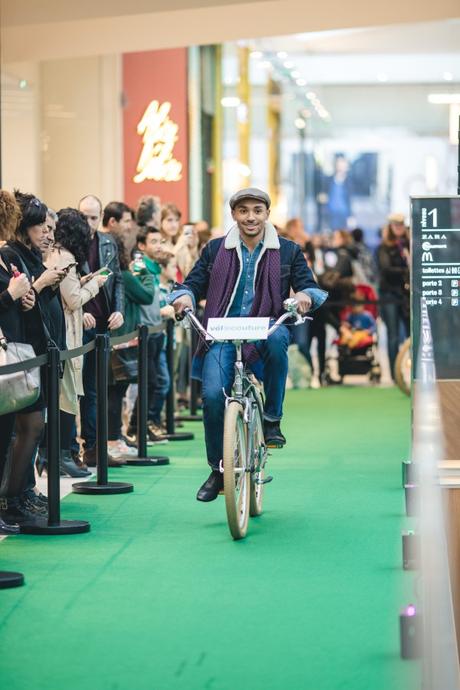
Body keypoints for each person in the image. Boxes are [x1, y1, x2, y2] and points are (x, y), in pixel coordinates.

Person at [169, 188, 327, 502]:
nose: (250, 217)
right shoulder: (215, 250)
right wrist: (183, 297)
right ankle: (218, 469)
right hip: (221, 331)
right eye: (244, 211)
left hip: (266, 326)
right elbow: (192, 283)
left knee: (279, 339)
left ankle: (272, 420)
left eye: (257, 210)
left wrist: (303, 297)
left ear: (267, 214)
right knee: (213, 396)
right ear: (234, 215)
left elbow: (307, 285)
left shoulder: (288, 250)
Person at [1, 191, 67, 523]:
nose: (47, 232)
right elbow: (16, 297)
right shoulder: (11, 253)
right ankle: (11, 499)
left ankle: (20, 494)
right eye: (40, 225)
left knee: (30, 428)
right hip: (16, 355)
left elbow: (26, 300)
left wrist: (30, 293)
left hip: (32, 352)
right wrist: (31, 289)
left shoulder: (20, 254)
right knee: (24, 428)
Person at [45, 208, 107, 476]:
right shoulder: (66, 256)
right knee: (66, 399)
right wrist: (96, 285)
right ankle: (61, 457)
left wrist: (83, 280)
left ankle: (55, 457)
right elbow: (74, 301)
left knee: (63, 399)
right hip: (66, 339)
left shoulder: (55, 254)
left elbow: (64, 291)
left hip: (62, 336)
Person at [78, 194, 125, 467]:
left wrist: (119, 310)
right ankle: (82, 448)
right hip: (81, 324)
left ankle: (95, 449)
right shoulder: (71, 243)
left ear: (101, 217)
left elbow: (117, 279)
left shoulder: (108, 242)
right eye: (84, 216)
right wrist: (79, 310)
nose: (89, 222)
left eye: (94, 217)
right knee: (79, 390)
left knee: (97, 387)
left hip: (103, 323)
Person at [0, 190, 35, 532]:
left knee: (5, 435)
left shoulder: (3, 257)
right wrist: (10, 294)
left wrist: (23, 298)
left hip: (10, 355)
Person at [108, 234, 155, 457]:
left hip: (120, 337)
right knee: (116, 390)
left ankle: (115, 437)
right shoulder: (125, 275)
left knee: (116, 390)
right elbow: (147, 295)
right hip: (121, 338)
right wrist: (144, 272)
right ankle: (112, 438)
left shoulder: (116, 275)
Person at [126, 227, 167, 443]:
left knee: (155, 382)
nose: (159, 245)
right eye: (154, 241)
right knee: (149, 382)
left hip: (156, 330)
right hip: (144, 332)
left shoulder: (156, 268)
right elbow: (144, 294)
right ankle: (136, 427)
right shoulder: (141, 266)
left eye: (161, 241)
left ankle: (143, 425)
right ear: (142, 246)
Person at [376, 213, 410, 378]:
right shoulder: (384, 247)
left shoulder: (409, 244)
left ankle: (412, 372)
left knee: (411, 333)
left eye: (401, 224)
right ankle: (395, 375)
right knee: (394, 335)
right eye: (395, 225)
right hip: (390, 294)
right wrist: (406, 270)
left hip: (407, 294)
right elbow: (385, 269)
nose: (399, 227)